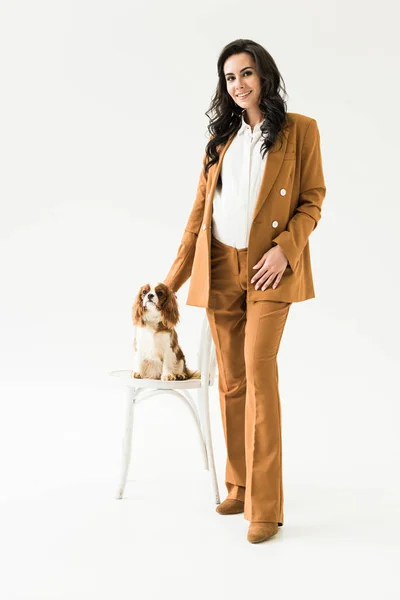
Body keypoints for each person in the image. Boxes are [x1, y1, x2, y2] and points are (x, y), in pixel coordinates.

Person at [163, 38, 326, 543]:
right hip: (219, 268)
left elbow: (313, 199)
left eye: (247, 73)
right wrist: (170, 284)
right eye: (231, 77)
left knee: (259, 371)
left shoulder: (300, 130)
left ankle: (265, 506)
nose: (239, 85)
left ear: (265, 75)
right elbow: (197, 220)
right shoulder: (219, 142)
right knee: (232, 382)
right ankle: (238, 483)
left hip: (269, 270)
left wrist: (285, 249)